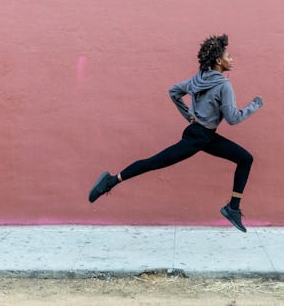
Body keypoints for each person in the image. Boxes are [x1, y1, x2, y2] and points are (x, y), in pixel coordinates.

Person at [88, 34, 264, 232]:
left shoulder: (199, 78)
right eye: (228, 56)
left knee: (245, 158)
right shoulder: (224, 85)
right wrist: (254, 105)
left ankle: (233, 208)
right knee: (154, 162)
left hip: (201, 135)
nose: (232, 59)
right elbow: (233, 118)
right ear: (218, 60)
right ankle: (110, 181)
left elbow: (174, 91)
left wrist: (189, 116)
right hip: (199, 138)